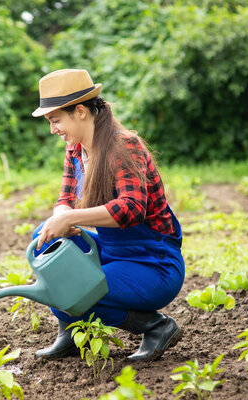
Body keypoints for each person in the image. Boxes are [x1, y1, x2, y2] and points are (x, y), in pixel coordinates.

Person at [31, 69, 185, 362]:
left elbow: (131, 208)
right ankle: (71, 334)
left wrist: (72, 219)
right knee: (46, 241)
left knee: (75, 286)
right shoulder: (75, 150)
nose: (53, 130)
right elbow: (65, 198)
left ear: (80, 112)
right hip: (114, 252)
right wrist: (62, 215)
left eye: (55, 120)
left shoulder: (123, 145)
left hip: (152, 263)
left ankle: (155, 326)